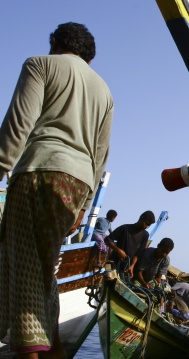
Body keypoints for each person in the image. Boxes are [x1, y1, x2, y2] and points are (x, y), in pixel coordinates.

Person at [0, 22, 113, 358]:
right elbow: (101, 154)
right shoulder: (104, 91)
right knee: (45, 270)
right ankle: (56, 351)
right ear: (88, 56)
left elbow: (20, 123)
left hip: (39, 171)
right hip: (76, 185)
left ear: (54, 42)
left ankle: (29, 351)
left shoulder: (41, 64)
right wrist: (83, 207)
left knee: (23, 269)